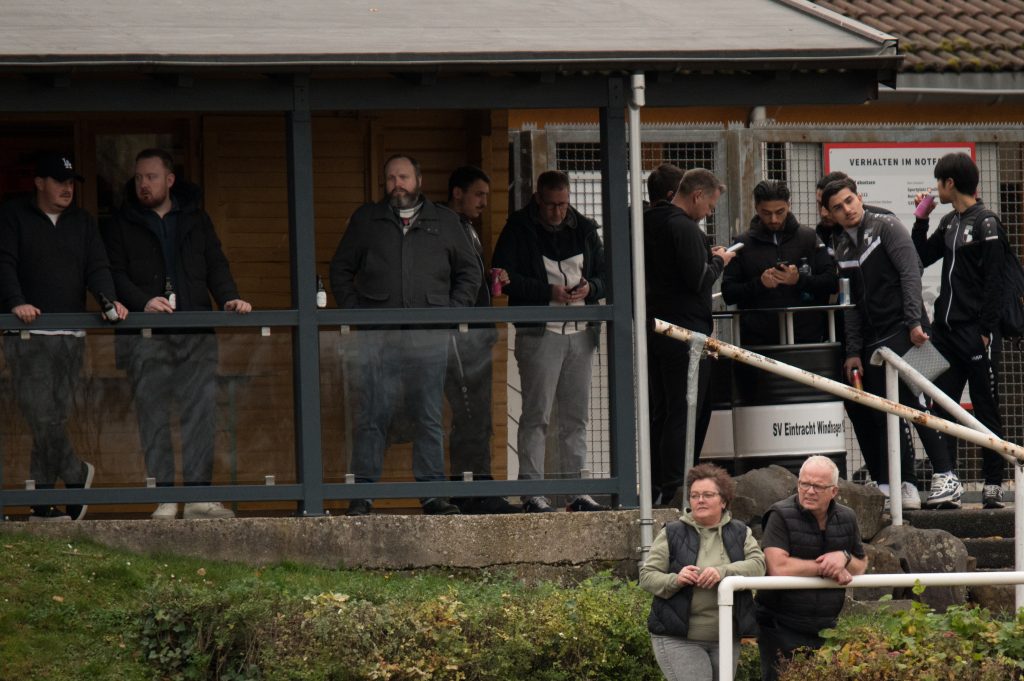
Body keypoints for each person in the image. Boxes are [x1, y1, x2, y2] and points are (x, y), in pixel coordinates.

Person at [103, 148, 251, 520]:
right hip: (145, 336)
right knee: (152, 417)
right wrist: (142, 302)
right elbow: (113, 275)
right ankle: (166, 498)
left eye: (151, 177)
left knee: (200, 416)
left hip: (195, 334)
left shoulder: (196, 219)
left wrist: (230, 298)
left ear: (169, 180)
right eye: (139, 177)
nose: (143, 184)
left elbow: (215, 264)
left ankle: (199, 498)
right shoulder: (121, 223)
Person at [331, 154, 480, 516]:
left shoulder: (445, 221)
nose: (397, 184)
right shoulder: (367, 220)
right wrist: (357, 314)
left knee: (428, 415)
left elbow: (470, 273)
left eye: (403, 177)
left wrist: (451, 314)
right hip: (378, 339)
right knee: (372, 415)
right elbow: (340, 270)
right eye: (390, 178)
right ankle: (362, 495)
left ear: (419, 180)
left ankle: (432, 496)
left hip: (429, 339)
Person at [0, 152, 128, 521]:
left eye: (71, 182)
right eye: (59, 181)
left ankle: (43, 505)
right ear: (39, 182)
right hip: (28, 335)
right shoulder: (13, 216)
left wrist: (109, 301)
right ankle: (75, 473)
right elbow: (4, 263)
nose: (67, 188)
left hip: (71, 336)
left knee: (52, 420)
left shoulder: (83, 222)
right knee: (42, 417)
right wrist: (17, 302)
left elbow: (97, 267)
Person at [822, 177, 951, 511]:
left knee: (921, 403)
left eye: (849, 200)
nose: (846, 209)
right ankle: (903, 484)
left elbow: (911, 273)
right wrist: (853, 350)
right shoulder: (841, 245)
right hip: (872, 340)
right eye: (837, 207)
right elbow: (850, 304)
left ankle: (947, 477)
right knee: (886, 412)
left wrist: (914, 322)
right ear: (830, 214)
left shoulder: (886, 225)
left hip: (906, 330)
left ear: (859, 197)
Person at [492, 169, 608, 513]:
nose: (558, 211)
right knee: (536, 414)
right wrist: (548, 292)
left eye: (563, 204)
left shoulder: (585, 229)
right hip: (539, 332)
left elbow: (607, 275)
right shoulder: (519, 227)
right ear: (537, 200)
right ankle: (532, 492)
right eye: (551, 205)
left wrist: (590, 288)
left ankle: (576, 491)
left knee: (576, 417)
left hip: (580, 332)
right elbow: (504, 277)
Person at [912, 152, 1006, 508]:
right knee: (937, 403)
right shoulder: (950, 221)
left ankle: (993, 483)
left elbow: (996, 281)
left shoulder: (987, 223)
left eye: (939, 182)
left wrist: (986, 329)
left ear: (949, 183)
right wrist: (921, 220)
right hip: (944, 332)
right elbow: (921, 257)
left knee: (985, 407)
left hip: (975, 333)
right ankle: (947, 480)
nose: (936, 188)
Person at [645, 168, 735, 507]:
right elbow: (698, 280)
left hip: (656, 329)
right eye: (710, 206)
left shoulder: (648, 222)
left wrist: (706, 256)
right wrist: (719, 261)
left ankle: (657, 484)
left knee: (662, 410)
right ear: (696, 195)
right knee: (685, 411)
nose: (708, 213)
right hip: (685, 334)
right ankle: (677, 485)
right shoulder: (684, 227)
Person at [640, 463, 765, 681]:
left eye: (707, 495)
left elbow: (758, 565)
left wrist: (722, 572)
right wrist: (676, 579)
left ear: (723, 501)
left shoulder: (740, 532)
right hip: (678, 637)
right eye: (695, 495)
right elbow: (647, 576)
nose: (700, 500)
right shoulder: (672, 533)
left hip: (726, 637)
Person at [443, 166, 518, 514]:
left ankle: (477, 485)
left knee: (479, 415)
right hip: (460, 337)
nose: (484, 203)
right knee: (469, 414)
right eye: (478, 195)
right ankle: (470, 490)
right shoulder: (447, 228)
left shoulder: (468, 228)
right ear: (457, 193)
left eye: (487, 196)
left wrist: (490, 281)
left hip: (477, 335)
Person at [755, 455, 867, 681]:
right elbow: (778, 567)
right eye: (804, 484)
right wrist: (826, 567)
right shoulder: (779, 514)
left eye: (818, 486)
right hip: (779, 625)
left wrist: (844, 558)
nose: (809, 491)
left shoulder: (847, 517)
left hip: (826, 627)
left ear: (834, 491)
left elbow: (861, 564)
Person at [814, 171, 891, 494]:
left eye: (836, 203)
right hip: (845, 338)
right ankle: (880, 477)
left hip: (883, 332)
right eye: (826, 206)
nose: (827, 212)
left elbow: (905, 270)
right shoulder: (819, 237)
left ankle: (900, 478)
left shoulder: (880, 223)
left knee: (888, 409)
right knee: (858, 409)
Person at [722, 179, 837, 346]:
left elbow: (831, 282)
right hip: (758, 340)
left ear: (788, 205)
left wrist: (799, 280)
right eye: (766, 213)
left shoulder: (809, 237)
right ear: (756, 208)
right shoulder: (742, 243)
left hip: (805, 337)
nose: (774, 219)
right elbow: (728, 292)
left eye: (780, 212)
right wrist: (760, 284)